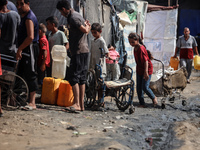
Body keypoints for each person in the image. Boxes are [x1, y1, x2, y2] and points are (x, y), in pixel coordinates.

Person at [56, 0, 91, 111]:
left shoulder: (73, 18)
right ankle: (81, 105)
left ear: (64, 9)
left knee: (73, 77)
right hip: (83, 50)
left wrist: (88, 27)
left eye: (61, 11)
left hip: (79, 50)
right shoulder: (76, 15)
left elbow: (85, 30)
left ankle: (76, 103)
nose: (61, 14)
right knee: (81, 78)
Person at [16, 0, 39, 110]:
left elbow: (30, 37)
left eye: (21, 4)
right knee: (20, 72)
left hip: (29, 48)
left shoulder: (29, 18)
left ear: (28, 4)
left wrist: (20, 48)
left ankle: (32, 102)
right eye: (17, 4)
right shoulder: (24, 17)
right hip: (24, 48)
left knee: (30, 73)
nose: (19, 7)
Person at [128, 32, 158, 108]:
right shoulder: (135, 48)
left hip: (147, 69)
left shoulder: (141, 48)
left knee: (145, 87)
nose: (131, 44)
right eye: (130, 42)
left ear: (137, 40)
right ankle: (142, 103)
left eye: (132, 42)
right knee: (138, 87)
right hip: (140, 69)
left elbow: (146, 61)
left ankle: (154, 97)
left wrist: (146, 72)